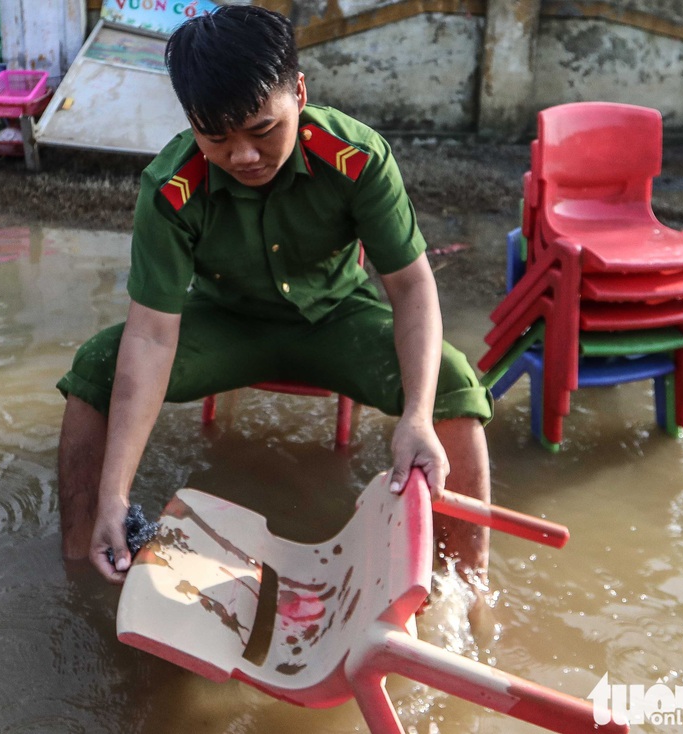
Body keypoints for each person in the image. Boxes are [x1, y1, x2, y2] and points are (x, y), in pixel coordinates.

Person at [56, 5, 494, 592]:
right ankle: (85, 558)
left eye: (263, 130)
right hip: (226, 326)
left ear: (301, 94)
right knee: (94, 370)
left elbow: (412, 286)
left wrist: (416, 417)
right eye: (217, 138)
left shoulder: (357, 159)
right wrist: (117, 494)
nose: (242, 156)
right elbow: (151, 333)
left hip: (335, 319)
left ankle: (467, 588)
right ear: (192, 123)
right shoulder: (171, 188)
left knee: (454, 382)